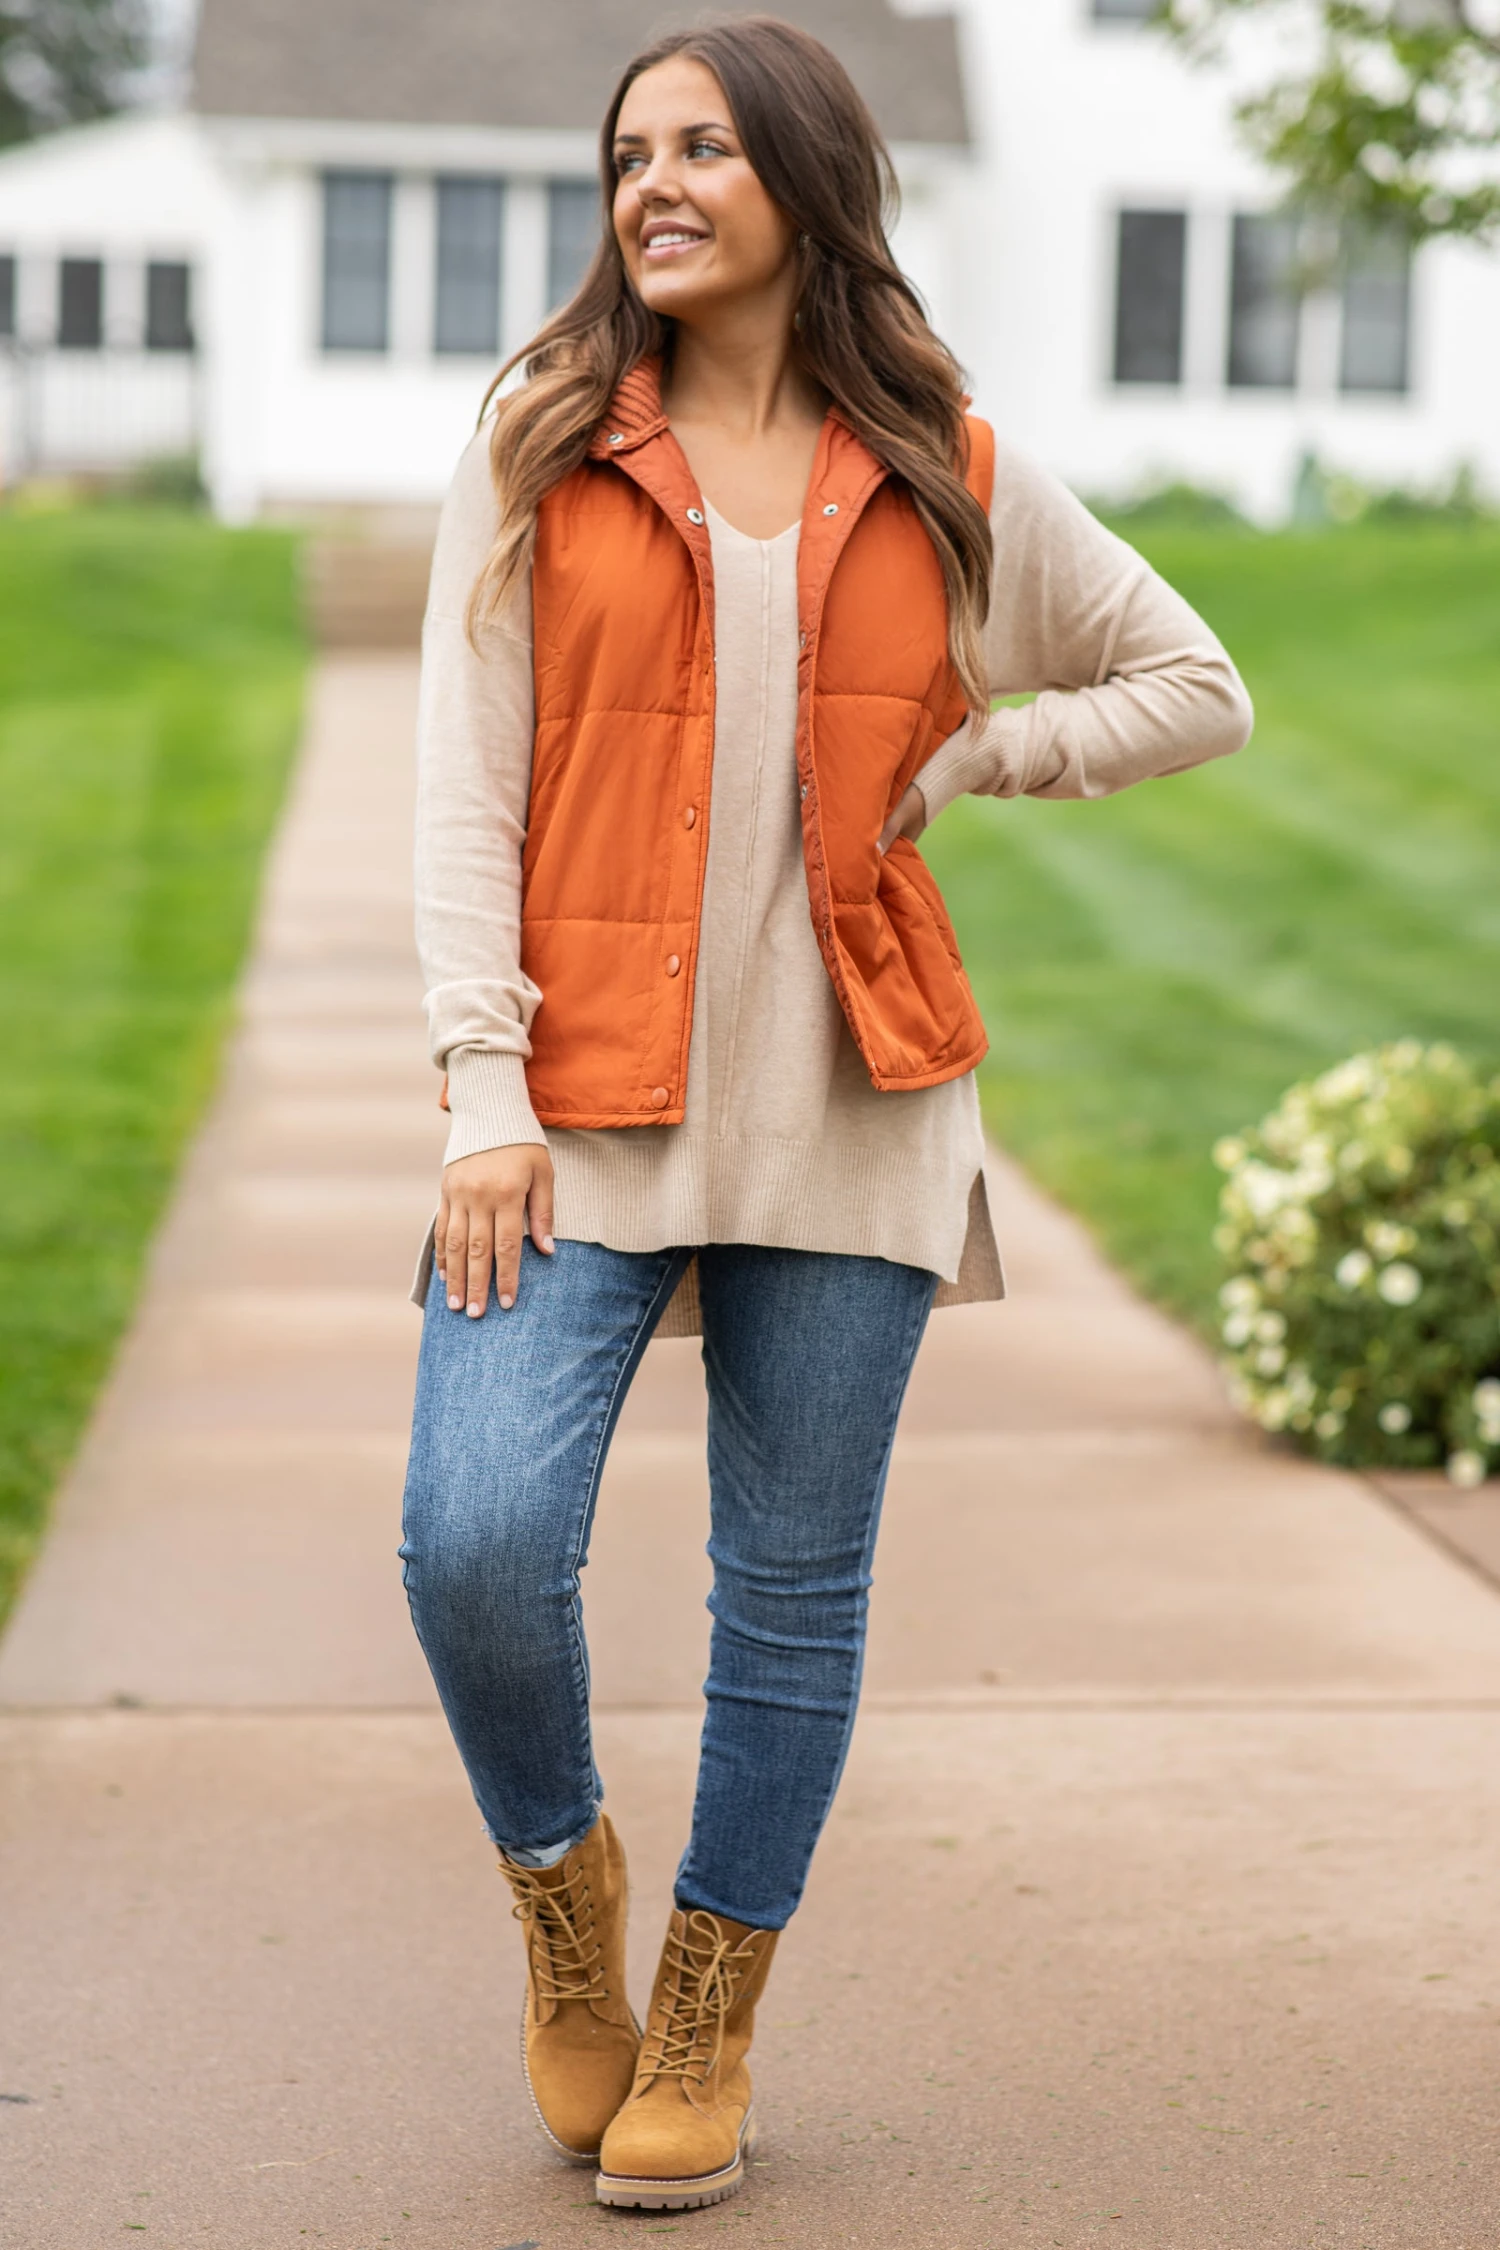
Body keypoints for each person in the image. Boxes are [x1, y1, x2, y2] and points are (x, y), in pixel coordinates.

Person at [401, 13, 1253, 2215]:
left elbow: (1195, 684)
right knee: (474, 1538)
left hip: (856, 1106)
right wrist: (481, 1084)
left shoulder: (943, 459)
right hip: (576, 1104)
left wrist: (987, 751)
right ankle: (566, 1895)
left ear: (805, 178)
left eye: (701, 148)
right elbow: (462, 787)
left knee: (787, 1595)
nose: (654, 186)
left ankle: (708, 2002)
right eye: (629, 156)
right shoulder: (543, 439)